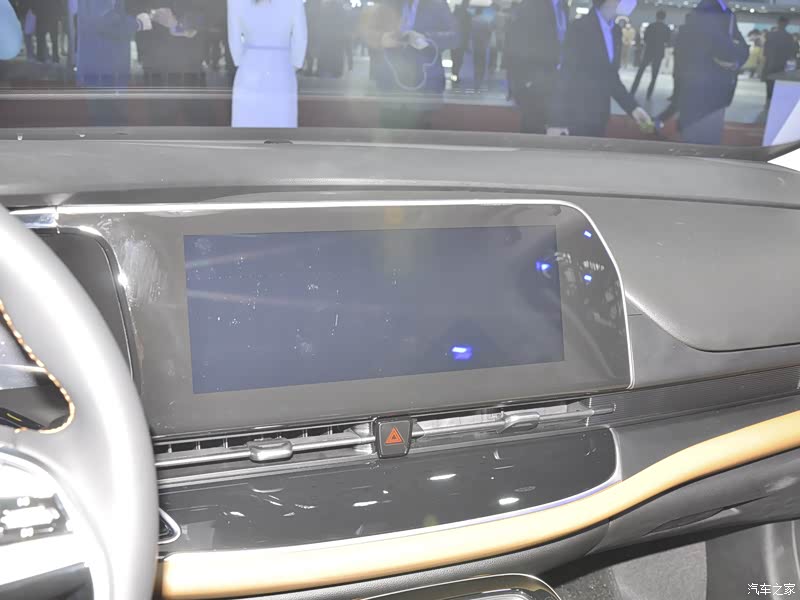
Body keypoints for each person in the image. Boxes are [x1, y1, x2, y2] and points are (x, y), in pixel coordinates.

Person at [548, 0, 652, 138]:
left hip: (599, 116)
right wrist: (557, 121)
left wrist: (633, 108)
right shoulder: (580, 27)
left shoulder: (615, 31)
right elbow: (566, 74)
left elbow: (611, 78)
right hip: (577, 115)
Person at [361, 0, 457, 128]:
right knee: (389, 131)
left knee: (420, 133)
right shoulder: (387, 3)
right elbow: (364, 32)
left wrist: (426, 38)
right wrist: (381, 38)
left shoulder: (437, 4)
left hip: (424, 86)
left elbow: (455, 37)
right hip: (390, 85)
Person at [676, 0, 748, 145]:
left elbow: (741, 47)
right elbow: (722, 47)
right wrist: (734, 57)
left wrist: (735, 61)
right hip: (705, 84)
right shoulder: (708, 10)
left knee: (707, 135)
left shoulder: (726, 13)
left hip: (715, 84)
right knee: (700, 138)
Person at [227, 0, 308, 128]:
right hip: (282, 67)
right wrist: (294, 64)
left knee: (248, 122)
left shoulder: (235, 2)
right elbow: (301, 38)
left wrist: (241, 60)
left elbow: (234, 40)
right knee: (281, 122)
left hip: (250, 66)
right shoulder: (294, 2)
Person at [505, 0, 567, 134]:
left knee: (551, 131)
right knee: (533, 128)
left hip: (556, 80)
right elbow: (515, 42)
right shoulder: (531, 6)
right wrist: (521, 82)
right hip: (534, 82)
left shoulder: (562, 6)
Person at [630, 9, 670, 99]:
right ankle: (649, 94)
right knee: (654, 75)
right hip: (659, 52)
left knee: (640, 72)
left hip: (649, 51)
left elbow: (645, 38)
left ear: (656, 16)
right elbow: (667, 40)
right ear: (664, 17)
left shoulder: (651, 26)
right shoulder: (666, 28)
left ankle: (633, 90)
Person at [763, 16, 799, 104]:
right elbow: (791, 53)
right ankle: (775, 100)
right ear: (787, 24)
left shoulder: (770, 35)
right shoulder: (789, 37)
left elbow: (765, 51)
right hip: (781, 64)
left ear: (777, 23)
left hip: (771, 63)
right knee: (779, 83)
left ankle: (768, 100)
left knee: (770, 83)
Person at [471, 6, 491, 91]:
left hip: (475, 42)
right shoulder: (485, 20)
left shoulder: (473, 20)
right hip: (483, 43)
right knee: (482, 60)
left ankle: (476, 74)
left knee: (476, 60)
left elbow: (470, 31)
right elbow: (489, 32)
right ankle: (481, 75)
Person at [451, 0, 471, 82]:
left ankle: (455, 74)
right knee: (459, 59)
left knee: (455, 58)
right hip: (461, 40)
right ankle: (456, 74)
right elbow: (468, 30)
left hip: (455, 40)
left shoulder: (456, 13)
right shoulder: (467, 15)